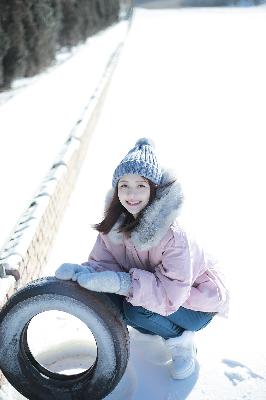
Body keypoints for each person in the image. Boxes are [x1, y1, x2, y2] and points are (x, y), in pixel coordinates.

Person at [55, 138, 229, 380]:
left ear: (153, 189)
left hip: (197, 304)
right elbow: (104, 264)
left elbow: (171, 296)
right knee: (120, 304)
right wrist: (82, 273)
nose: (131, 194)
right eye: (124, 185)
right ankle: (157, 327)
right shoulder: (114, 226)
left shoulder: (173, 236)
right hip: (163, 298)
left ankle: (181, 342)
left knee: (135, 309)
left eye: (141, 186)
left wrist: (123, 283)